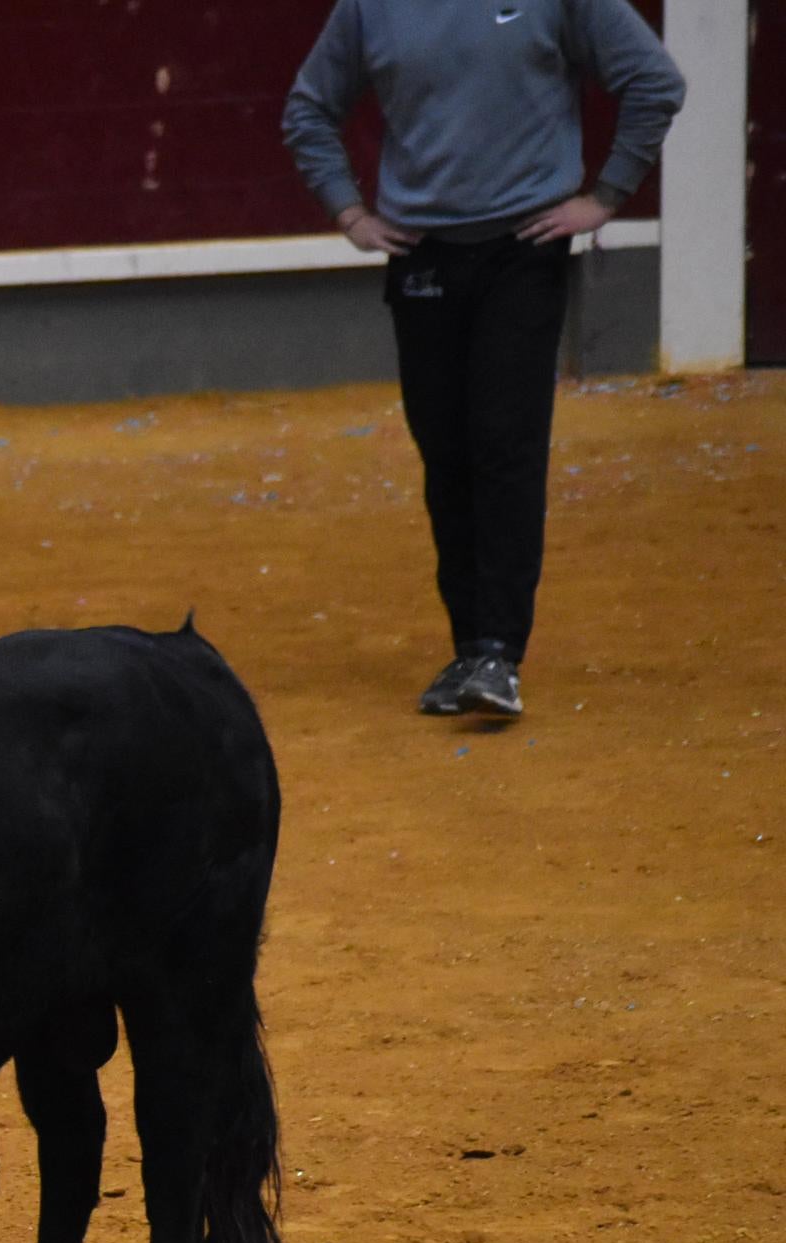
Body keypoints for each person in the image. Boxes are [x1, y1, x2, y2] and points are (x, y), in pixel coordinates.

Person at [284, 0, 682, 721]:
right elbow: (308, 108)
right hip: (422, 256)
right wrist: (349, 212)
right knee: (447, 450)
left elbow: (654, 80)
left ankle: (497, 649)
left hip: (521, 248)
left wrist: (606, 195)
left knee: (504, 444)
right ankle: (472, 646)